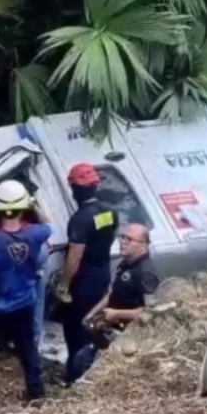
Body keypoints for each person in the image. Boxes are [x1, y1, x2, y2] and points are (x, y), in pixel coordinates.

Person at [0, 180, 52, 402]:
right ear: (23, 206)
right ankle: (37, 393)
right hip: (26, 302)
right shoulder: (36, 234)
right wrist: (33, 204)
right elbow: (51, 226)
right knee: (28, 348)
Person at [68, 223, 161, 382]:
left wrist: (117, 314)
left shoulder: (145, 274)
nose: (122, 242)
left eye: (129, 239)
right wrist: (91, 315)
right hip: (110, 329)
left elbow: (152, 312)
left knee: (91, 374)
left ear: (143, 244)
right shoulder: (125, 264)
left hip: (131, 338)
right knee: (79, 361)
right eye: (122, 237)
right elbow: (113, 293)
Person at [55, 163, 119, 387]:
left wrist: (63, 285)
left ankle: (74, 378)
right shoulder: (110, 213)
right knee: (94, 326)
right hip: (102, 276)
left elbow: (74, 257)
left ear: (75, 189)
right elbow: (108, 238)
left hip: (82, 283)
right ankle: (93, 373)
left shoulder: (80, 219)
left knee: (75, 332)